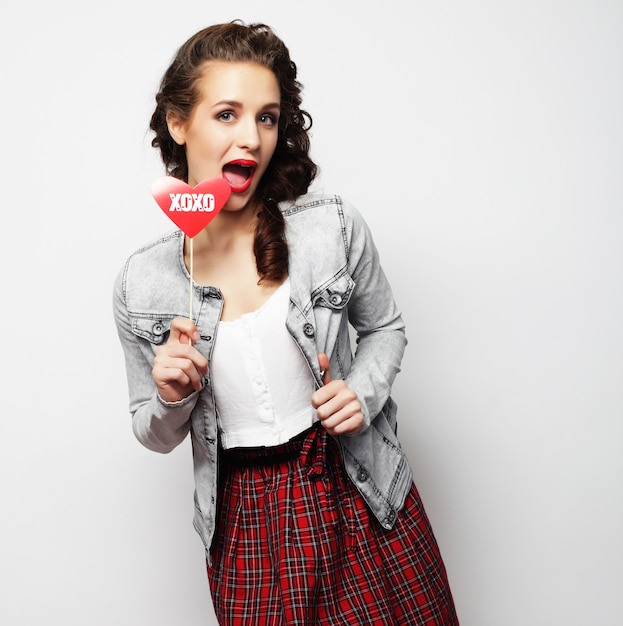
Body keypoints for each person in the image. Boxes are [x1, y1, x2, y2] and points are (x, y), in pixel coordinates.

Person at [113, 20, 459, 625]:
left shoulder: (330, 228)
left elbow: (386, 328)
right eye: (226, 114)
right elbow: (152, 430)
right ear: (177, 122)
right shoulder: (142, 283)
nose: (250, 138)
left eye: (266, 117)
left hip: (356, 488)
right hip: (246, 523)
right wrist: (171, 398)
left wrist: (362, 392)